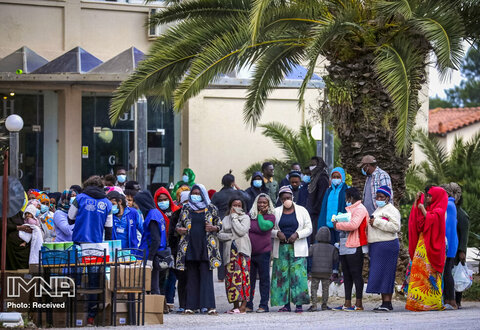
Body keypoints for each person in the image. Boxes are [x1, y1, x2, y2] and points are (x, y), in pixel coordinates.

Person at [68, 175, 113, 325]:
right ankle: (91, 317)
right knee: (94, 281)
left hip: (79, 243)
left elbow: (69, 218)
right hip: (96, 246)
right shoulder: (107, 203)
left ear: (86, 185)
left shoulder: (79, 198)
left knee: (76, 278)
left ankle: (74, 312)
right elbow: (109, 230)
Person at [175, 184, 221, 315]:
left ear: (203, 194)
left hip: (207, 248)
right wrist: (179, 229)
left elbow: (219, 224)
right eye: (193, 193)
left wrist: (213, 228)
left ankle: (209, 306)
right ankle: (191, 306)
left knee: (206, 277)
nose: (195, 195)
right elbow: (179, 224)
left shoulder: (211, 208)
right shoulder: (186, 208)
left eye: (198, 193)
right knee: (191, 277)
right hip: (189, 247)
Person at [406, 186, 448, 312]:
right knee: (419, 273)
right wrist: (417, 202)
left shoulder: (440, 210)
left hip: (432, 247)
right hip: (423, 246)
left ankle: (432, 303)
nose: (428, 198)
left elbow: (433, 219)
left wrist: (423, 208)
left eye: (430, 196)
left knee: (431, 276)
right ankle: (418, 302)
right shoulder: (430, 208)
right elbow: (419, 222)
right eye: (427, 195)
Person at [271, 186, 312, 313]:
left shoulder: (302, 210)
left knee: (298, 276)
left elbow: (309, 228)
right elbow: (269, 229)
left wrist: (297, 235)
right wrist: (277, 233)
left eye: (288, 198)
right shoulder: (275, 212)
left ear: (292, 197)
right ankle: (285, 304)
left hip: (298, 248)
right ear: (280, 199)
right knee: (282, 277)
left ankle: (299, 304)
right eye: (283, 198)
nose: (286, 200)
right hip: (282, 248)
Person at [332, 187, 368, 311]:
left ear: (351, 198)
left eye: (347, 198)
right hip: (345, 245)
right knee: (346, 275)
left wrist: (338, 225)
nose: (346, 200)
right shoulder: (350, 209)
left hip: (356, 245)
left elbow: (354, 225)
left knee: (356, 274)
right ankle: (347, 302)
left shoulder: (360, 209)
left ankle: (359, 303)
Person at [366, 186, 401, 312]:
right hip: (377, 246)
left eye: (382, 197)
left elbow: (396, 227)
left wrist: (377, 222)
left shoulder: (391, 210)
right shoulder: (379, 209)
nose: (379, 199)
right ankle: (384, 302)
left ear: (387, 198)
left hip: (387, 245)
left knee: (386, 273)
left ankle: (387, 302)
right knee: (379, 273)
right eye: (377, 197)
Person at [211, 173, 248, 281]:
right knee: (237, 249)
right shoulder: (237, 194)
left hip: (221, 223)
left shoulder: (217, 195)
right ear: (233, 182)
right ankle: (236, 272)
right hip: (236, 222)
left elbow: (212, 209)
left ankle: (221, 276)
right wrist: (237, 187)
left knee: (222, 250)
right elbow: (248, 198)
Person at [218, 194, 251, 314]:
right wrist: (231, 236)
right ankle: (235, 305)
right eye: (234, 205)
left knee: (243, 278)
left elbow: (242, 231)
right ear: (230, 206)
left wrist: (234, 217)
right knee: (231, 279)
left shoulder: (245, 218)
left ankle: (243, 305)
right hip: (230, 253)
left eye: (239, 205)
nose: (236, 207)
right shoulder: (225, 218)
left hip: (242, 252)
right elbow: (220, 234)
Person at [135, 190, 168, 296]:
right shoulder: (157, 213)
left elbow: (156, 239)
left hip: (151, 254)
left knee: (153, 284)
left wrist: (150, 259)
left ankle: (154, 309)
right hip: (155, 252)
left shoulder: (152, 216)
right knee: (154, 283)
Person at [246, 193, 275, 313]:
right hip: (249, 253)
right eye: (259, 202)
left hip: (264, 252)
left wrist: (259, 215)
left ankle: (263, 305)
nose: (261, 204)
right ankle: (248, 304)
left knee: (264, 280)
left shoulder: (271, 217)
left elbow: (263, 227)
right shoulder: (249, 215)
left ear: (268, 204)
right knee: (249, 280)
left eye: (264, 202)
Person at [154, 186, 181, 311]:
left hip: (174, 248)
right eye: (160, 200)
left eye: (165, 199)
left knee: (172, 276)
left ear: (170, 199)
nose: (162, 202)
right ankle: (161, 303)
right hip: (161, 249)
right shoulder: (154, 213)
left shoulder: (177, 211)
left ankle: (169, 302)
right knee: (161, 277)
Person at [68, 176, 113, 244]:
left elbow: (70, 219)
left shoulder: (79, 198)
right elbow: (109, 228)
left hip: (79, 240)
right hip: (97, 242)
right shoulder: (108, 203)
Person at [307, 226, 339, 312]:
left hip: (315, 271)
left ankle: (314, 305)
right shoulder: (332, 248)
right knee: (325, 289)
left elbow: (308, 254)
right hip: (327, 272)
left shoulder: (313, 247)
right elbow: (336, 259)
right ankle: (324, 305)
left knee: (314, 288)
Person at [168, 191, 190, 313]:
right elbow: (171, 234)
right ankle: (183, 304)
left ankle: (192, 303)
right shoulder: (176, 214)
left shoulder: (197, 213)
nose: (187, 204)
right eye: (184, 202)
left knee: (192, 278)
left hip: (193, 251)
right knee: (181, 279)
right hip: (179, 252)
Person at [449, 184, 470, 308]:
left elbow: (464, 235)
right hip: (452, 247)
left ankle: (458, 300)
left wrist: (462, 251)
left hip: (457, 250)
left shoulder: (461, 215)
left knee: (457, 274)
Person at [440, 183, 459, 309]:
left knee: (447, 272)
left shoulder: (447, 205)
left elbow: (447, 227)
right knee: (447, 271)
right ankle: (449, 299)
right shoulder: (451, 205)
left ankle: (451, 300)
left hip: (448, 244)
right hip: (451, 243)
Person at [318, 167, 348, 246]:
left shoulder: (346, 190)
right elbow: (324, 207)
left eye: (338, 177)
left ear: (342, 177)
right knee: (329, 247)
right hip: (328, 224)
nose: (335, 179)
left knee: (340, 247)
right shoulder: (328, 191)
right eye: (334, 177)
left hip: (340, 224)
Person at [307, 157, 330, 243]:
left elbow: (321, 196)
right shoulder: (314, 177)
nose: (311, 167)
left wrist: (315, 208)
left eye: (313, 165)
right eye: (310, 165)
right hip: (312, 212)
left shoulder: (322, 177)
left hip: (317, 213)